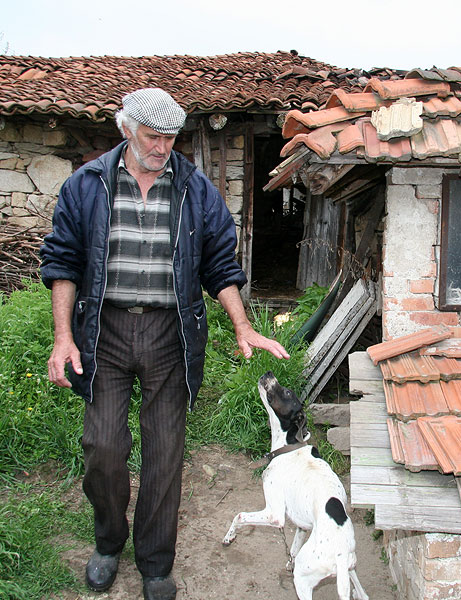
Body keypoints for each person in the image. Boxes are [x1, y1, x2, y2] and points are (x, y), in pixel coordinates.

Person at [40, 88, 289, 600]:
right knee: (103, 448)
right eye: (153, 136)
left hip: (170, 333)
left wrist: (242, 325)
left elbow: (220, 263)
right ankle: (109, 542)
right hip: (101, 332)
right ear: (126, 128)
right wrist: (63, 337)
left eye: (170, 136)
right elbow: (62, 262)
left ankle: (155, 562)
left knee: (165, 452)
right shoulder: (86, 185)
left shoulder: (196, 190)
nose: (162, 146)